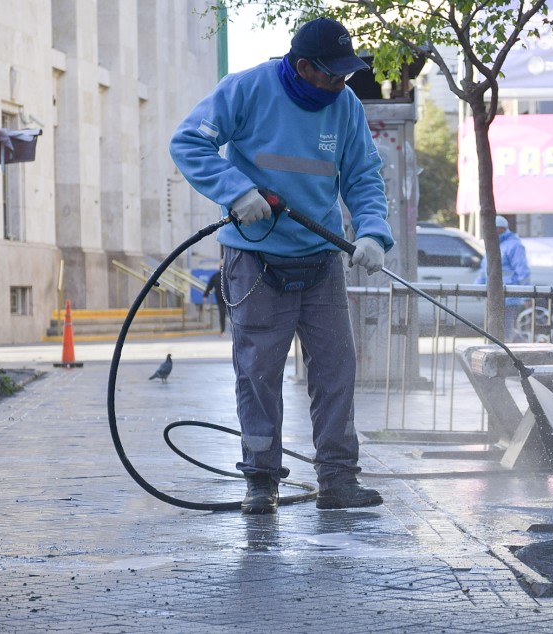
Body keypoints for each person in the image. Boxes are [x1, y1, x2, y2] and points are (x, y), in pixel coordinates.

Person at [169, 17, 394, 514]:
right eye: (332, 74)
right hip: (255, 260)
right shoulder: (247, 89)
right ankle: (261, 480)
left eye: (346, 73)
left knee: (336, 370)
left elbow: (363, 175)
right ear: (302, 66)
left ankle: (338, 479)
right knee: (259, 374)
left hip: (321, 258)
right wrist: (237, 191)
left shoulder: (346, 106)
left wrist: (373, 233)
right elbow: (188, 142)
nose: (341, 82)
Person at [476, 216, 530, 341]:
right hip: (493, 296)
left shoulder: (514, 246)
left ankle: (509, 348)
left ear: (501, 229)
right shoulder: (492, 244)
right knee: (494, 329)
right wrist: (477, 287)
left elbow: (522, 271)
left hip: (508, 296)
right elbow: (485, 270)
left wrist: (527, 295)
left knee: (505, 329)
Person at [202, 266, 227, 336]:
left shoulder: (228, 275)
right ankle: (223, 331)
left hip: (229, 299)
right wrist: (205, 296)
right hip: (221, 299)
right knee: (222, 314)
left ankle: (225, 330)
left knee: (226, 314)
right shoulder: (216, 276)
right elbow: (209, 286)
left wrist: (205, 296)